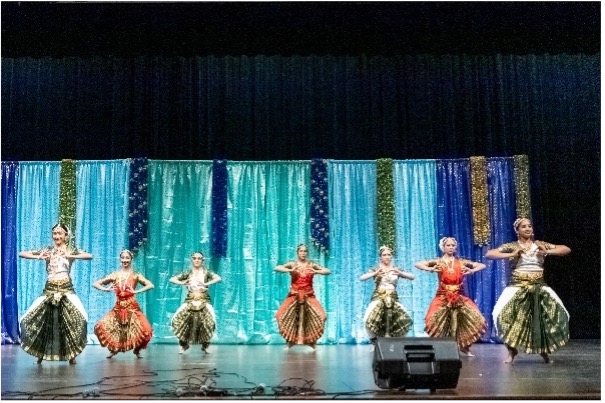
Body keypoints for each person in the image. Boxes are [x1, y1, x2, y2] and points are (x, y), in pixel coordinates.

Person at [486, 217, 571, 363]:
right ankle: (511, 351)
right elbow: (490, 254)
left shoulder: (540, 245)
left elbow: (566, 249)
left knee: (558, 314)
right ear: (517, 230)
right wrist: (511, 254)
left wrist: (547, 252)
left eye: (529, 226)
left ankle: (544, 351)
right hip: (517, 285)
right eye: (523, 226)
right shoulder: (512, 246)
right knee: (498, 314)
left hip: (539, 285)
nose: (527, 229)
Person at [18, 223, 93, 364]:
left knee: (80, 319)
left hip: (66, 289)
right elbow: (21, 253)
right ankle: (40, 354)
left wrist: (70, 255)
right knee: (39, 321)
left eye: (60, 233)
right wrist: (38, 257)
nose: (57, 236)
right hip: (49, 289)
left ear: (66, 236)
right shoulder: (48, 250)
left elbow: (89, 256)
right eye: (55, 233)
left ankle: (72, 355)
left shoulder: (71, 250)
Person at [414, 237, 487, 356]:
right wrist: (430, 269)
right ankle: (444, 347)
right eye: (448, 245)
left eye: (453, 245)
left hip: (459, 296)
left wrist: (471, 270)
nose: (451, 247)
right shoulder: (438, 262)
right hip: (443, 296)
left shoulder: (461, 262)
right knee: (432, 320)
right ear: (443, 247)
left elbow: (481, 265)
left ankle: (464, 347)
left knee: (474, 319)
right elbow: (418, 264)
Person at [93, 249, 154, 358]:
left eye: (127, 258)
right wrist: (105, 289)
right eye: (123, 258)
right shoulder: (115, 275)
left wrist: (137, 291)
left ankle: (137, 349)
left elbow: (150, 285)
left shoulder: (136, 275)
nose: (125, 260)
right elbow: (95, 283)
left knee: (147, 330)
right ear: (120, 259)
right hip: (119, 307)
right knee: (101, 326)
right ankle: (114, 349)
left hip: (132, 307)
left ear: (131, 259)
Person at [275, 244, 331, 349]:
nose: (303, 253)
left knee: (322, 316)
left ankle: (311, 342)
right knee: (280, 315)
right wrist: (289, 271)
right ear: (297, 252)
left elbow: (328, 271)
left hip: (309, 295)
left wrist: (317, 271)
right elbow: (277, 267)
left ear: (307, 253)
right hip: (294, 295)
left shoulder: (311, 265)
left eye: (305, 251)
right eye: (301, 251)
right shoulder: (293, 264)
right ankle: (290, 341)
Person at [169, 252, 222, 354]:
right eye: (195, 258)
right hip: (190, 299)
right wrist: (182, 282)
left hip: (204, 299)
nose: (197, 260)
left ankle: (205, 345)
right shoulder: (188, 273)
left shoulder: (206, 272)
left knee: (209, 322)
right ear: (192, 260)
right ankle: (184, 344)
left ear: (202, 260)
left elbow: (218, 278)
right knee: (178, 320)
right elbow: (172, 279)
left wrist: (206, 283)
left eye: (199, 258)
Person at [360, 245, 414, 342]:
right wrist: (375, 273)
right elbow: (362, 278)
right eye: (384, 255)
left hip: (392, 297)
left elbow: (412, 276)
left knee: (402, 317)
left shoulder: (395, 269)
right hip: (379, 296)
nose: (387, 257)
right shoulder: (376, 269)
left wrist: (401, 273)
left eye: (389, 255)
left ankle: (393, 341)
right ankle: (375, 341)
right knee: (370, 317)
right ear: (380, 257)